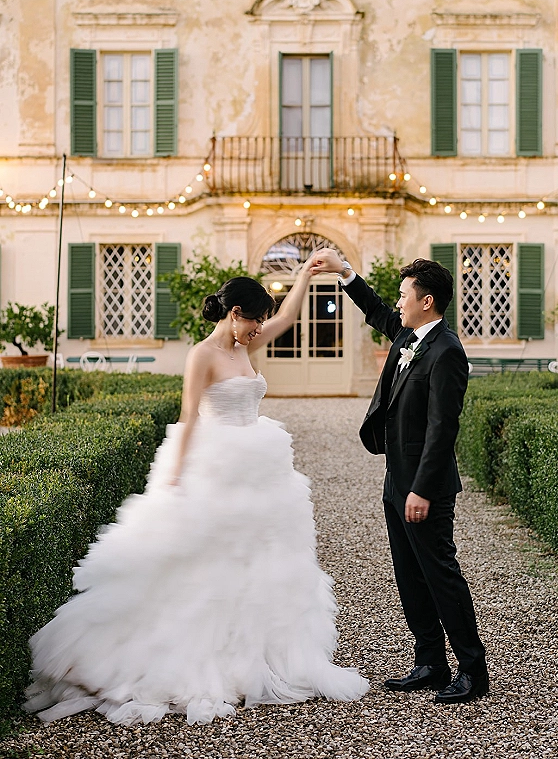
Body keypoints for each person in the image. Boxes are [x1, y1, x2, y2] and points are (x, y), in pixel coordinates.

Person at [25, 261, 368, 726]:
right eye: (255, 319)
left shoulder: (250, 343)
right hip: (218, 464)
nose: (260, 328)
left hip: (261, 469)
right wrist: (175, 475)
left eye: (260, 323)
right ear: (236, 313)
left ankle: (258, 650)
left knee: (263, 563)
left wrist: (307, 272)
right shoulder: (202, 355)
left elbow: (287, 319)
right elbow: (189, 416)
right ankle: (198, 655)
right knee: (206, 565)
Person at [311, 250, 488, 704]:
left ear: (426, 301)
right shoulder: (408, 335)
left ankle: (472, 670)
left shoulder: (447, 351)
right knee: (409, 576)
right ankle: (430, 662)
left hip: (423, 488)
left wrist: (422, 490)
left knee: (441, 575)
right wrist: (346, 272)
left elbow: (442, 428)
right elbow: (375, 311)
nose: (398, 302)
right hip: (397, 477)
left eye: (404, 294)